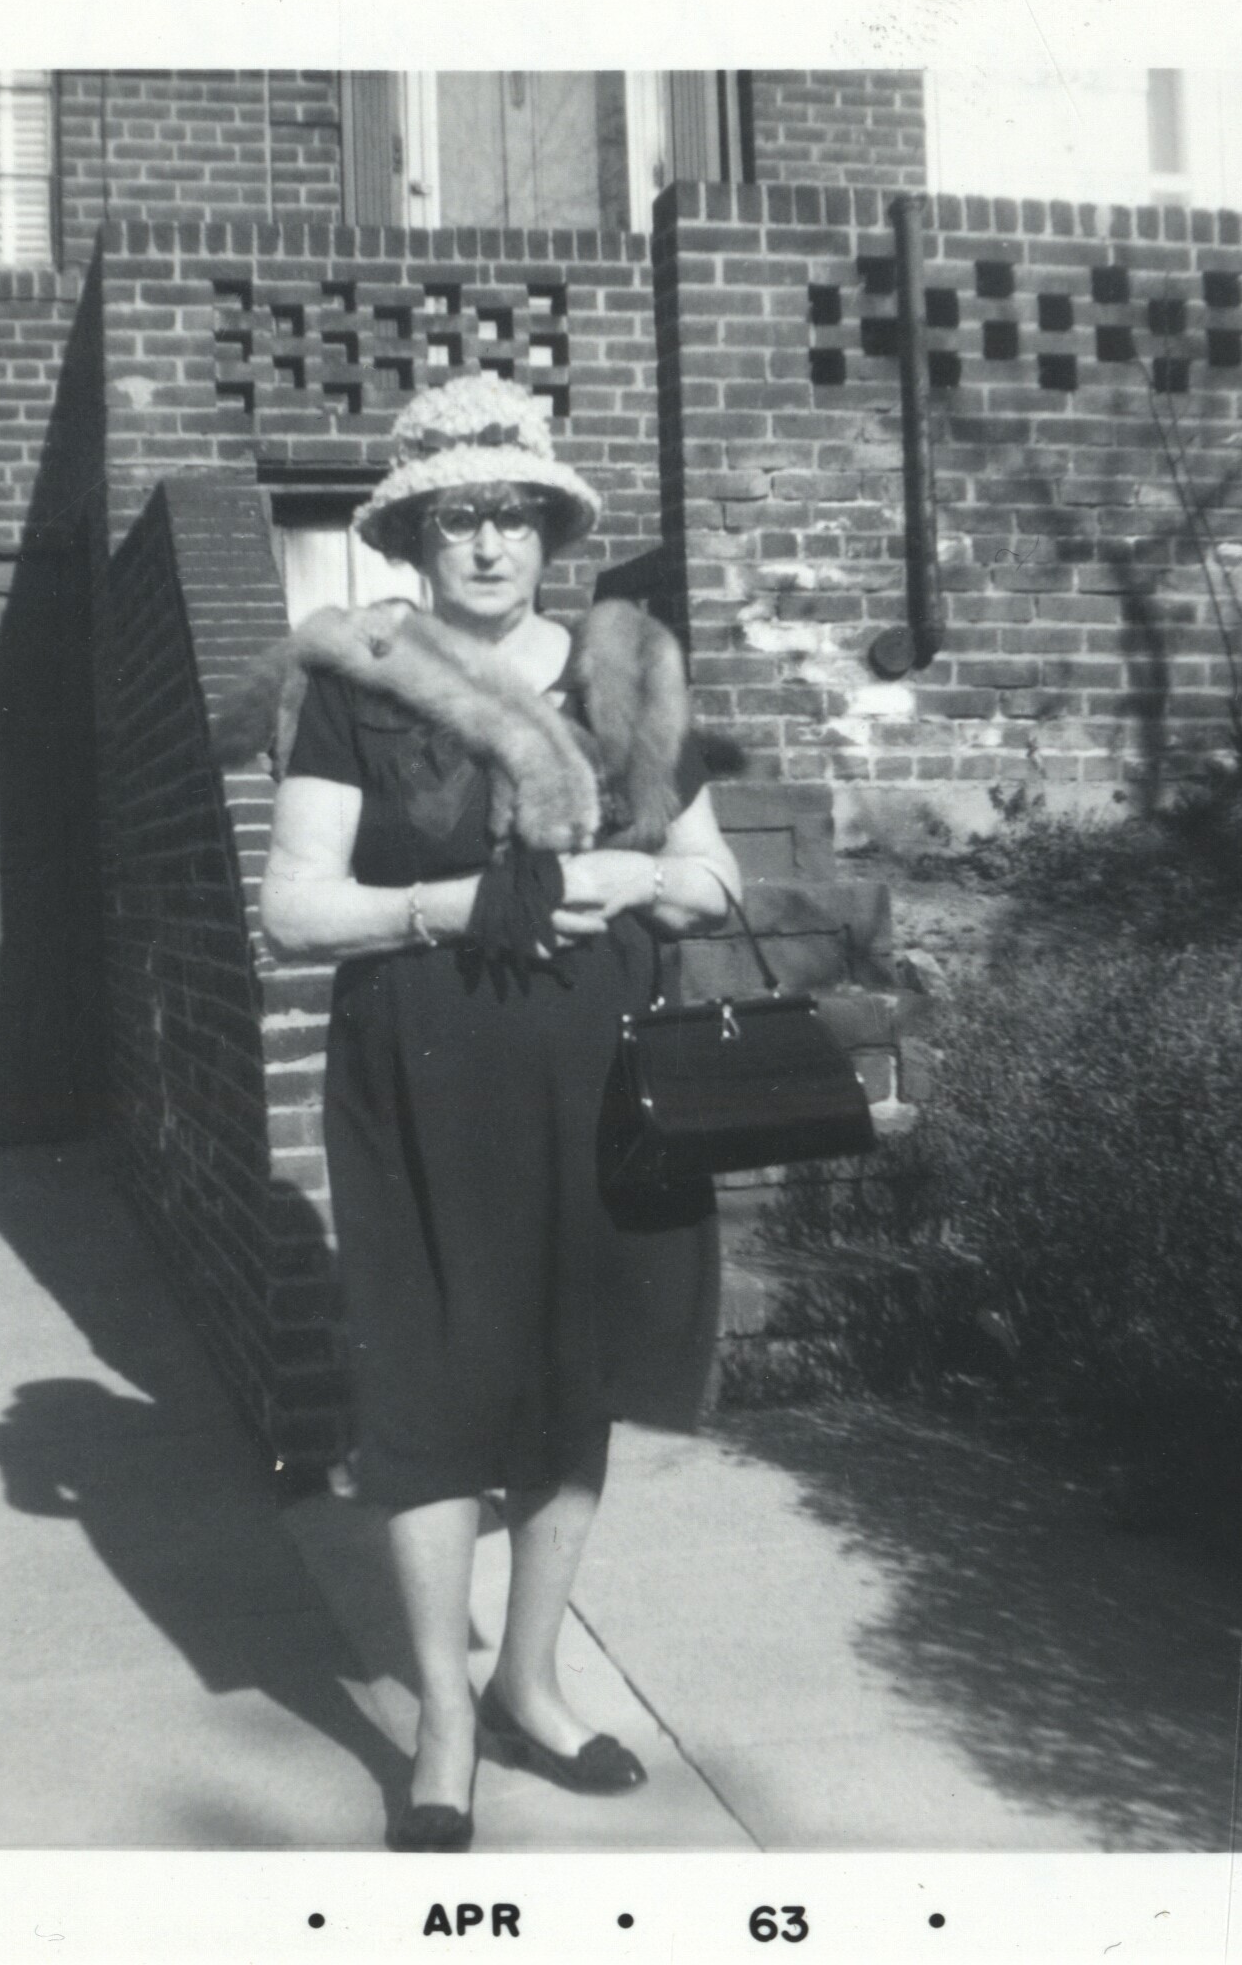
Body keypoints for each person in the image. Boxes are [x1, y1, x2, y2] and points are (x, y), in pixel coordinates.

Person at [254, 374, 743, 1853]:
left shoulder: (624, 672)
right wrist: (465, 902)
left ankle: (528, 1679)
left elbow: (714, 879)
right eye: (456, 519)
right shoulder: (358, 682)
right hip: (423, 1074)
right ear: (411, 535)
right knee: (426, 1391)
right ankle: (444, 1722)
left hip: (598, 1078)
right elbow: (293, 910)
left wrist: (632, 878)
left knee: (570, 1374)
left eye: (511, 517)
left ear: (547, 530)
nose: (486, 548)